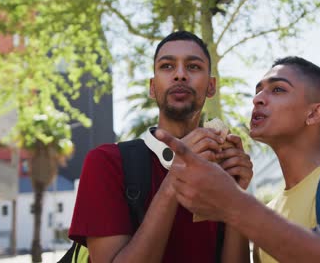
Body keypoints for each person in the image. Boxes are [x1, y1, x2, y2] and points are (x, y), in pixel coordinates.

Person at [155, 56, 320, 262]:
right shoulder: (271, 209)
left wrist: (235, 204)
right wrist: (234, 193)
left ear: (314, 113)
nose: (257, 99)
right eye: (258, 91)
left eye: (277, 89)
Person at [68, 31, 252, 263]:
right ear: (153, 88)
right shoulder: (106, 162)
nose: (180, 75)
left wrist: (237, 195)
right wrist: (176, 176)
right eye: (167, 66)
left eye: (193, 67)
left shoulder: (220, 171)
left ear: (211, 86)